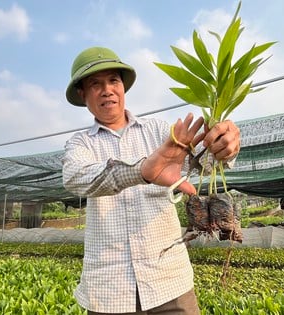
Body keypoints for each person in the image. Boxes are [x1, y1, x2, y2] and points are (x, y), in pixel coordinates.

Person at [62, 47, 241, 314]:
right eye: (95, 84)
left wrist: (224, 145)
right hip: (109, 292)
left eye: (113, 80)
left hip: (170, 283)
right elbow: (76, 178)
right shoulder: (80, 144)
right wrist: (144, 170)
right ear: (82, 94)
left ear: (122, 88)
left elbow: (205, 162)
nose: (107, 90)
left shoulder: (160, 131)